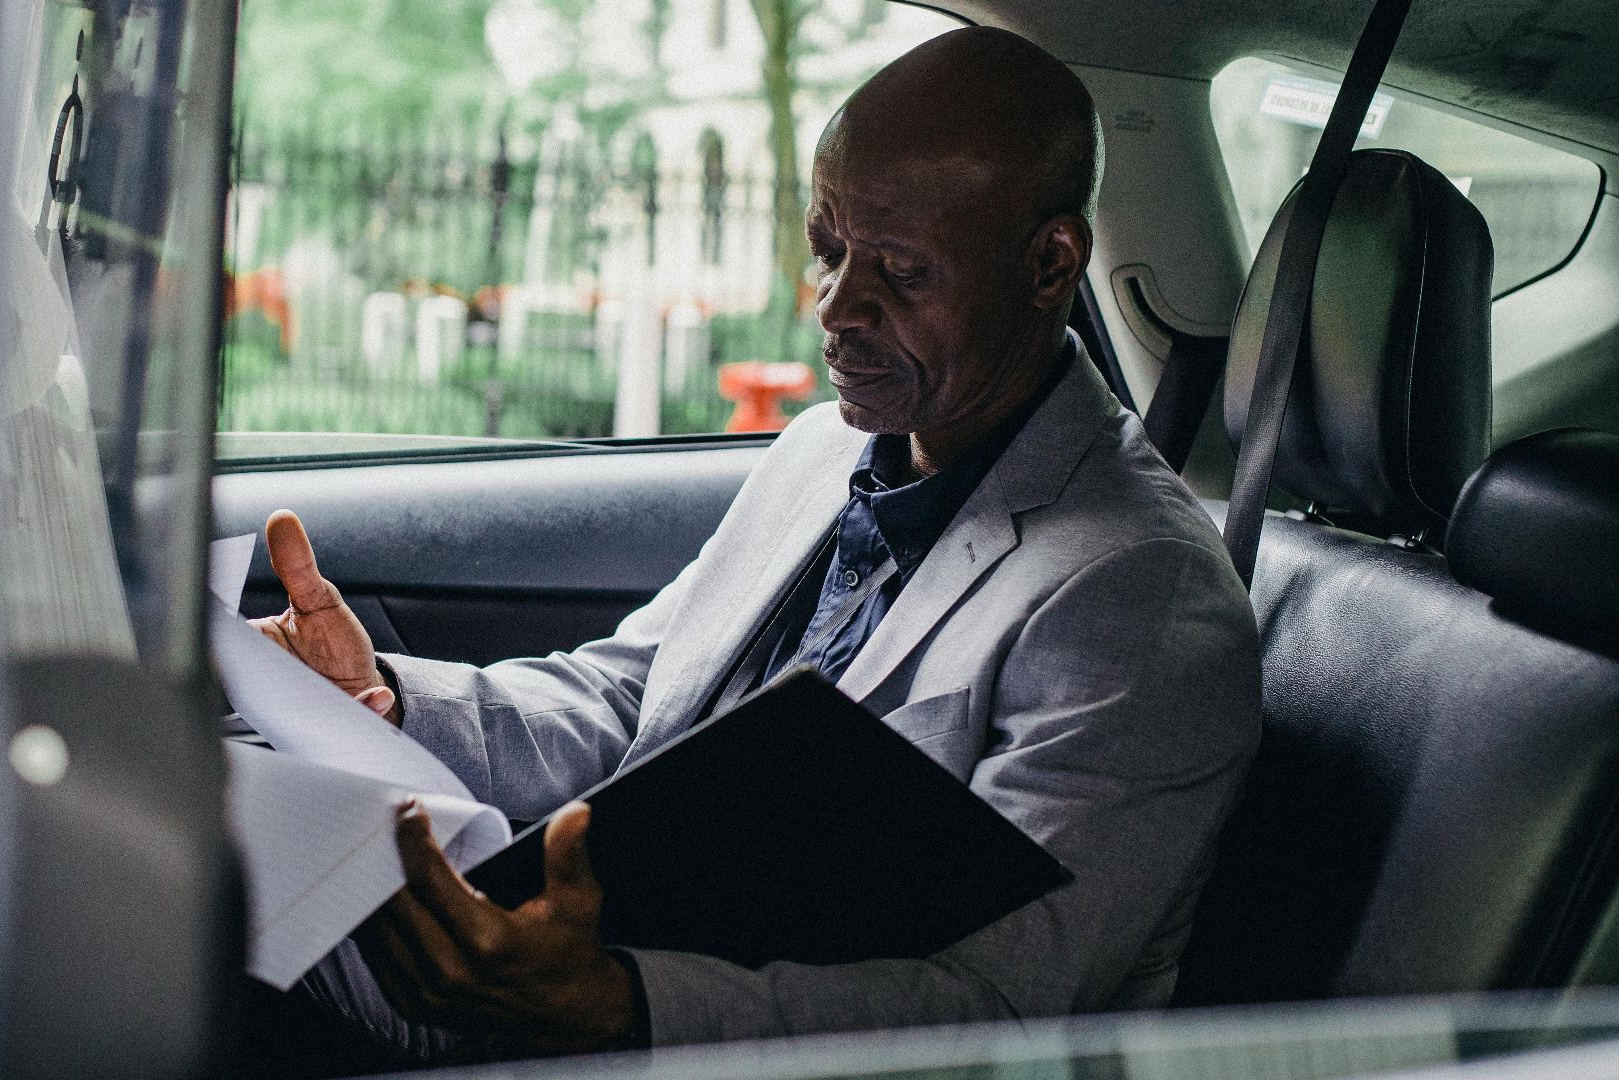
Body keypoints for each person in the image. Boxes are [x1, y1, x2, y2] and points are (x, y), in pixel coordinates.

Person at [250, 25, 1260, 1062]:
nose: (834, 307)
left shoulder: (1143, 597)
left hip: (700, 1042)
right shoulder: (827, 450)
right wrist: (390, 699)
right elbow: (631, 702)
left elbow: (1001, 1007)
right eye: (829, 251)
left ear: (1050, 267)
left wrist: (616, 1006)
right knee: (201, 876)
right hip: (608, 995)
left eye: (902, 274)